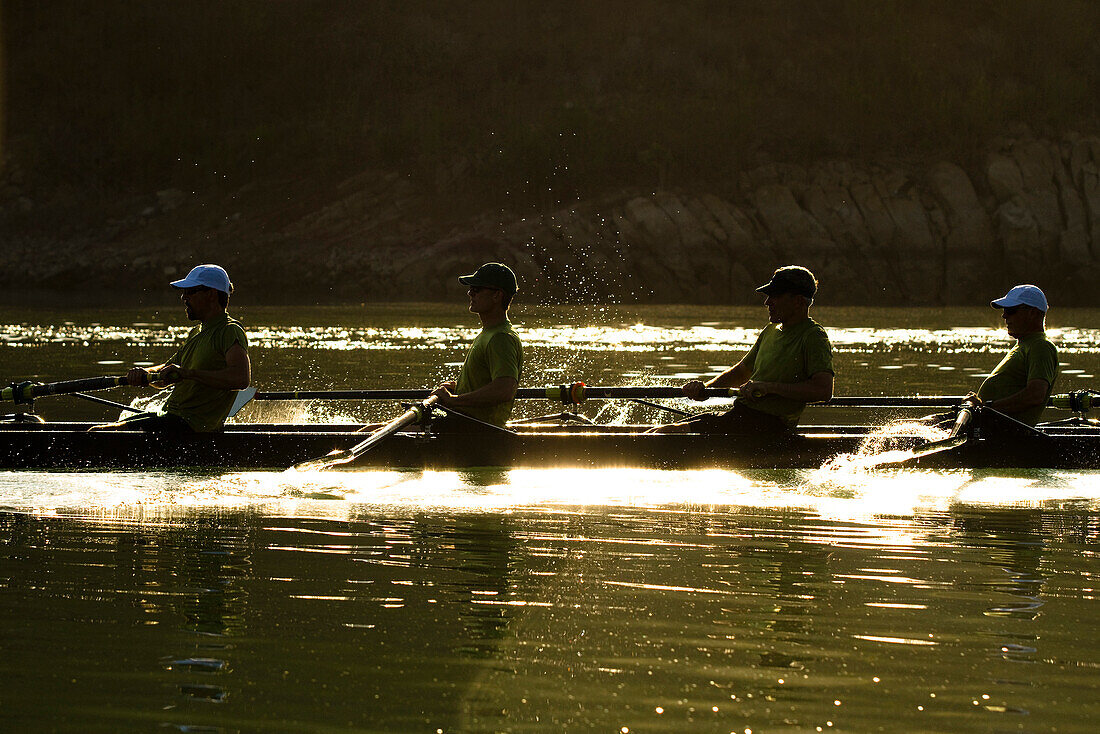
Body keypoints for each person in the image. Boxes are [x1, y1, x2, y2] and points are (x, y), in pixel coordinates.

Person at [653, 265, 834, 433]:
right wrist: (705, 390)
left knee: (664, 434)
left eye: (775, 296)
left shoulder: (813, 336)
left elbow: (823, 391)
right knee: (657, 432)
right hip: (742, 418)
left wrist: (769, 387)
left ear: (799, 301)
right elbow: (741, 372)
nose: (767, 302)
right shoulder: (770, 331)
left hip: (769, 427)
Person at [90, 264, 251, 432]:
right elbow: (165, 374)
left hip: (193, 426)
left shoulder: (229, 330)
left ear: (211, 294)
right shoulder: (197, 332)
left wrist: (187, 373)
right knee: (103, 429)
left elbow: (240, 379)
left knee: (100, 434)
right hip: (172, 417)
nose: (183, 297)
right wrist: (144, 373)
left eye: (190, 291)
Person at [430, 262, 523, 429]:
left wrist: (453, 400)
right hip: (464, 422)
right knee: (372, 429)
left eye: (477, 289)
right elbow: (490, 382)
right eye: (471, 288)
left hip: (475, 429)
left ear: (497, 295)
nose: (470, 292)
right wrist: (460, 389)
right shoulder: (489, 332)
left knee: (375, 433)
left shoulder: (500, 337)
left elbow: (505, 389)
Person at [966, 284, 1057, 426]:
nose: (1004, 315)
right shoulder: (1024, 345)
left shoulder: (1041, 346)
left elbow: (1035, 395)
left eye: (1011, 310)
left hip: (1004, 433)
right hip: (984, 423)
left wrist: (986, 408)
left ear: (1032, 313)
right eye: (1004, 310)